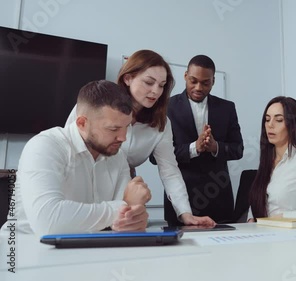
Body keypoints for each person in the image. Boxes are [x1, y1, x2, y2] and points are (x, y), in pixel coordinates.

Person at [66, 50, 215, 227]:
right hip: (80, 188)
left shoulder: (161, 123)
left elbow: (170, 171)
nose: (156, 91)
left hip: (124, 197)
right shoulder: (94, 105)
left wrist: (185, 214)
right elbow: (68, 147)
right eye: (149, 82)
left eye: (162, 85)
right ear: (128, 78)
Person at [1, 80, 151, 236]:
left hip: (85, 250)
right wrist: (124, 205)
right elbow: (48, 222)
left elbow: (123, 217)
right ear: (81, 123)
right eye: (113, 129)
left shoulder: (117, 156)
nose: (123, 138)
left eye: (127, 127)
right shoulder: (45, 146)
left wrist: (135, 218)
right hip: (25, 250)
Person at [166, 55, 244, 224]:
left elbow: (238, 150)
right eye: (193, 81)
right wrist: (195, 148)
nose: (198, 87)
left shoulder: (227, 108)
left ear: (214, 81)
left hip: (219, 200)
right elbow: (155, 157)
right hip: (181, 202)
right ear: (185, 76)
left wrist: (216, 147)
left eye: (205, 82)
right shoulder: (166, 107)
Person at [247, 96, 296, 221]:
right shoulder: (267, 162)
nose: (270, 125)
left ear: (293, 126)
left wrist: (283, 217)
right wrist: (251, 220)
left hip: (288, 235)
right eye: (267, 120)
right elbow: (258, 202)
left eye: (279, 120)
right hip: (261, 234)